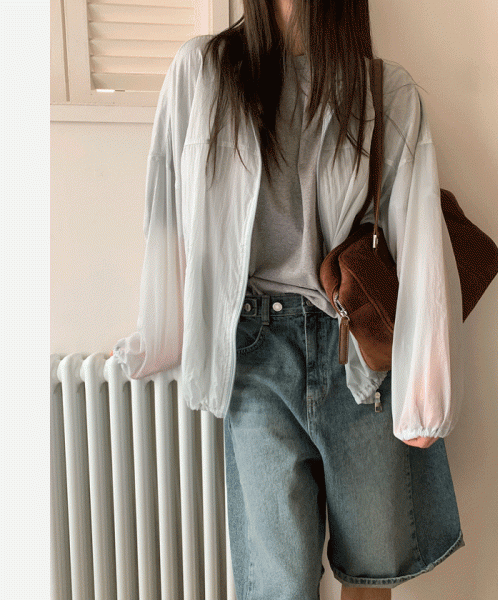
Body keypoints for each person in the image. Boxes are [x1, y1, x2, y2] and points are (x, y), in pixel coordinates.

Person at [112, 1, 466, 598]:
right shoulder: (203, 72)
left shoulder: (384, 90)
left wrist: (425, 395)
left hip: (356, 353)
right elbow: (167, 209)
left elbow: (420, 239)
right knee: (279, 583)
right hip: (253, 351)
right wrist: (161, 334)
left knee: (370, 572)